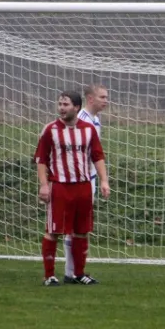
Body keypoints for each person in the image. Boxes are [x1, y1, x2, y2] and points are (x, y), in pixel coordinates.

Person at [34, 90, 110, 286]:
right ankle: (49, 275)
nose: (61, 108)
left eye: (66, 104)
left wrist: (104, 181)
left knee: (81, 231)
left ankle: (79, 274)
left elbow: (98, 156)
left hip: (83, 186)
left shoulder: (88, 129)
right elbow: (41, 159)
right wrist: (43, 185)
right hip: (59, 186)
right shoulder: (50, 129)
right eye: (60, 104)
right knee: (53, 230)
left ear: (76, 107)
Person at [63, 84, 109, 284]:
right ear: (90, 98)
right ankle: (71, 272)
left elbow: (95, 153)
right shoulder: (79, 120)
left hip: (88, 179)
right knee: (74, 226)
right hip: (76, 181)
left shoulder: (95, 120)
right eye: (102, 97)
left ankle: (75, 271)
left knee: (81, 226)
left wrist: (102, 179)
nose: (106, 101)